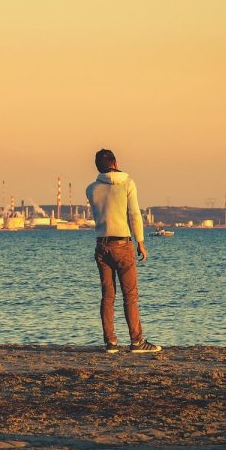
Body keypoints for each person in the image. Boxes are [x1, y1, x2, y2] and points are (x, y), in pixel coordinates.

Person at [86, 149, 161, 353]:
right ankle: (137, 342)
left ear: (98, 166)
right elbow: (135, 214)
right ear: (116, 162)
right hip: (122, 244)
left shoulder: (91, 189)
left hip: (101, 245)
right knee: (130, 295)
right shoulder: (128, 184)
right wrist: (141, 243)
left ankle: (110, 343)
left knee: (107, 296)